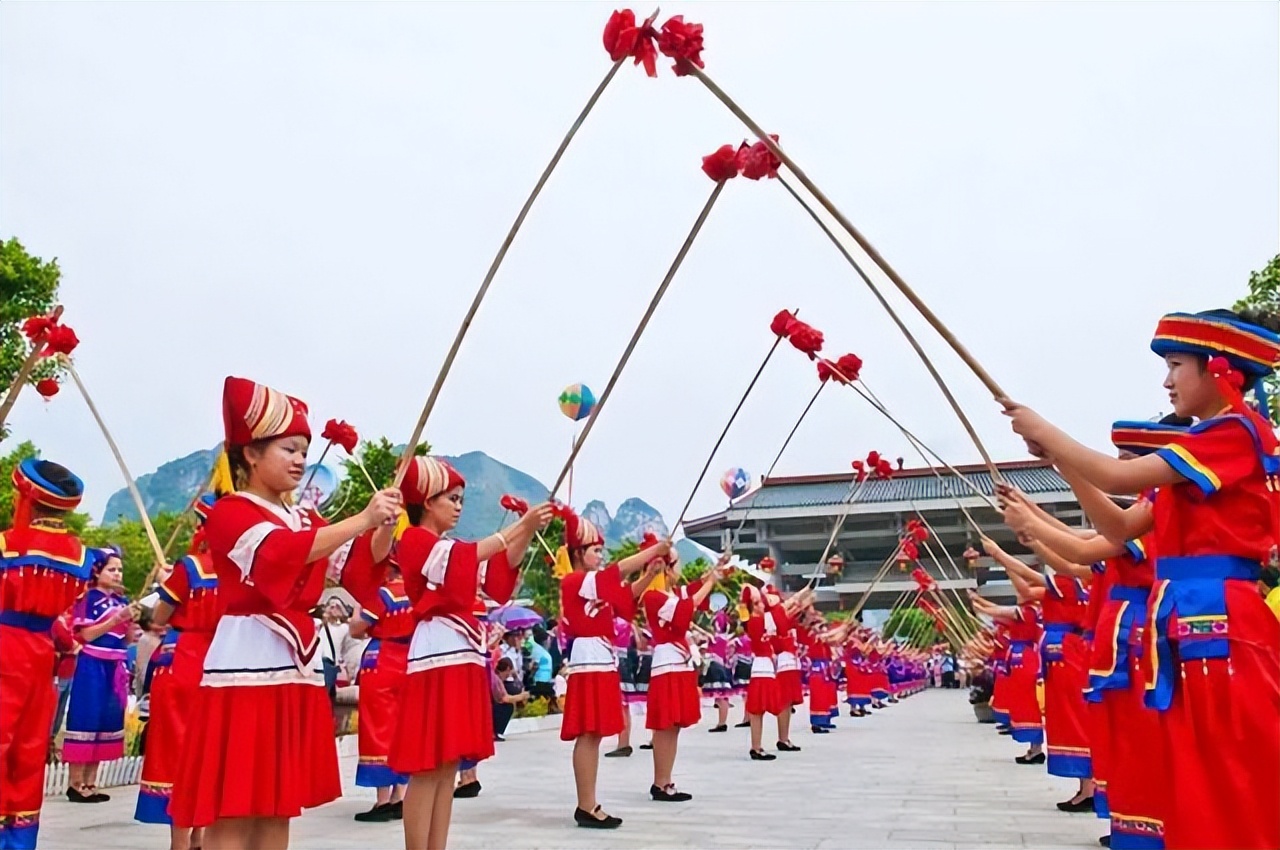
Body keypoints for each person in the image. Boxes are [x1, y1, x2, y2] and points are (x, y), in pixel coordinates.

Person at [1002, 308, 1280, 849]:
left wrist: (1049, 433)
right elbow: (1120, 522)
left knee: (1228, 771)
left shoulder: (1234, 434)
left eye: (1177, 365)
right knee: (1197, 772)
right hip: (1192, 623)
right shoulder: (1199, 457)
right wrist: (1063, 463)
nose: (1167, 380)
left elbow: (1117, 477)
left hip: (1219, 623)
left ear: (1220, 369)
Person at [169, 376, 403, 849]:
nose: (299, 459)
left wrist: (380, 524)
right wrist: (360, 518)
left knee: (277, 806)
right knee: (233, 809)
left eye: (303, 450)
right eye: (288, 449)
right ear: (251, 454)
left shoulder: (305, 518)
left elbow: (355, 569)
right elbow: (279, 555)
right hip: (245, 666)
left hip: (294, 668)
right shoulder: (231, 512)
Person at [388, 456, 550, 850]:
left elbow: (494, 578)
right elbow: (463, 560)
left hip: (460, 657)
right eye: (452, 498)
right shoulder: (414, 540)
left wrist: (526, 532)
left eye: (462, 499)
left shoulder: (450, 546)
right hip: (435, 658)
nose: (460, 506)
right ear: (427, 501)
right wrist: (517, 527)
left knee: (446, 768)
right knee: (426, 769)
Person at [0, 458, 93, 850]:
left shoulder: (8, 544)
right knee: (29, 748)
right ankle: (18, 842)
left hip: (5, 647)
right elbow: (64, 611)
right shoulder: (80, 556)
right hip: (42, 657)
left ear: (28, 498)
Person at [559, 510, 665, 829]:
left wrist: (649, 573)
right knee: (588, 733)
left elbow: (623, 595)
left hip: (600, 658)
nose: (600, 555)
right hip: (590, 657)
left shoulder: (593, 583)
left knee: (593, 734)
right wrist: (651, 551)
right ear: (579, 553)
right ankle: (586, 804)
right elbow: (615, 576)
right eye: (595, 550)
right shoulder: (577, 581)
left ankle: (589, 802)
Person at [134, 494, 221, 850]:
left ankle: (180, 842)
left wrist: (165, 583)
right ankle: (201, 835)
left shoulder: (191, 567)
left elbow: (158, 618)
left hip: (184, 659)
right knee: (209, 750)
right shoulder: (243, 568)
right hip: (222, 664)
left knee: (177, 750)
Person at [641, 550, 727, 801]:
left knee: (674, 726)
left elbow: (691, 592)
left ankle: (666, 780)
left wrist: (713, 572)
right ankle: (660, 782)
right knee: (665, 725)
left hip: (678, 664)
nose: (680, 568)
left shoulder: (671, 594)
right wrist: (710, 582)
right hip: (667, 664)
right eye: (677, 563)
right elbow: (684, 611)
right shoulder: (654, 597)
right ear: (667, 569)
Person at [341, 555, 415, 824]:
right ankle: (401, 795)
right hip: (409, 660)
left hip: (381, 659)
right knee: (403, 727)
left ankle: (383, 799)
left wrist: (358, 615)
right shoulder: (416, 592)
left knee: (378, 727)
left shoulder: (382, 594)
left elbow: (357, 629)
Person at [64, 546, 133, 803]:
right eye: (112, 569)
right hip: (92, 663)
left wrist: (131, 623)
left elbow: (124, 641)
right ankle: (75, 782)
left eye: (120, 570)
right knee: (87, 718)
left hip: (115, 665)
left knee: (107, 721)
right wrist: (116, 620)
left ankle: (91, 782)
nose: (117, 574)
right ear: (98, 572)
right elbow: (85, 635)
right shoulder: (88, 599)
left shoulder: (121, 601)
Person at [741, 584, 783, 760]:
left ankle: (756, 746)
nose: (762, 605)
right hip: (762, 668)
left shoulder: (759, 621)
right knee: (758, 711)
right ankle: (756, 747)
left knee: (758, 711)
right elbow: (778, 605)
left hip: (764, 668)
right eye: (757, 603)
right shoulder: (756, 621)